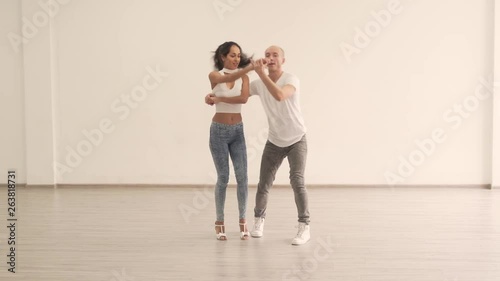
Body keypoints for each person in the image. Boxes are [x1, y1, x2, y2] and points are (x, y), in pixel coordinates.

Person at [249, 46, 310, 245]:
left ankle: (304, 227)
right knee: (263, 183)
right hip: (274, 141)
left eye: (275, 55)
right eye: (267, 55)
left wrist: (260, 74)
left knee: (297, 181)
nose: (270, 58)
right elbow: (240, 95)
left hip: (296, 139)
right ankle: (258, 221)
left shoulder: (291, 79)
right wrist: (217, 97)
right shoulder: (259, 83)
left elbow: (280, 95)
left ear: (283, 60)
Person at [206, 41, 254, 241]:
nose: (236, 59)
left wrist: (218, 99)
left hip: (238, 131)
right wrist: (249, 67)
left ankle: (243, 220)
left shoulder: (244, 77)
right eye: (232, 55)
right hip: (218, 131)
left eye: (238, 55)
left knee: (242, 177)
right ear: (223, 57)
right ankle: (219, 221)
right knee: (223, 178)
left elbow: (243, 100)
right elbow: (229, 77)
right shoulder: (215, 76)